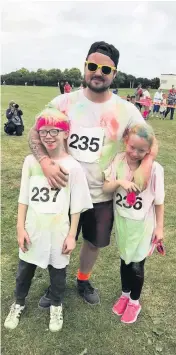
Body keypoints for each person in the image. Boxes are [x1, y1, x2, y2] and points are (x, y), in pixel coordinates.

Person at [28, 41, 158, 307]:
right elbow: (34, 132)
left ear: (114, 73)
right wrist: (44, 161)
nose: (98, 72)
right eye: (92, 66)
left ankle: (83, 278)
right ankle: (56, 285)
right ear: (84, 67)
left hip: (101, 194)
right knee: (59, 240)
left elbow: (150, 139)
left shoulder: (126, 110)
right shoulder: (63, 102)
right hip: (63, 190)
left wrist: (148, 162)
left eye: (105, 69)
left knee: (93, 243)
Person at [4, 106, 92, 332]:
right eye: (44, 132)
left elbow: (77, 207)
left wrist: (72, 235)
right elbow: (24, 198)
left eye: (55, 131)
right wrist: (19, 228)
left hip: (58, 231)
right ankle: (18, 303)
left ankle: (56, 306)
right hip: (33, 229)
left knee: (58, 274)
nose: (49, 136)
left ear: (65, 134)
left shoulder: (74, 167)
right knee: (24, 271)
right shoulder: (31, 162)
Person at [103, 124, 164, 324]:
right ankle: (125, 294)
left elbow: (159, 201)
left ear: (149, 151)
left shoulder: (155, 169)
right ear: (125, 142)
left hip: (142, 226)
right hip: (123, 223)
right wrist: (121, 182)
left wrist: (160, 227)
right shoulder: (118, 161)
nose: (135, 153)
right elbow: (106, 187)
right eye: (132, 147)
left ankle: (134, 302)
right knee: (124, 261)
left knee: (137, 265)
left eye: (141, 150)